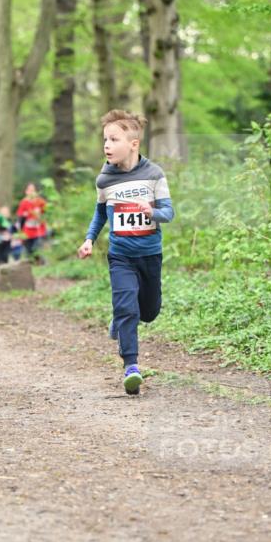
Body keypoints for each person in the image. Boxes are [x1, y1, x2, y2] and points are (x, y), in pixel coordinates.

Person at [78, 110, 174, 395]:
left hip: (150, 254)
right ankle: (131, 366)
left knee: (149, 311)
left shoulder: (154, 175)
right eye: (105, 140)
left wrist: (152, 212)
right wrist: (89, 239)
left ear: (133, 144)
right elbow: (100, 214)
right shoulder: (104, 180)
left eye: (113, 139)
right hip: (120, 255)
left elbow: (169, 213)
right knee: (126, 307)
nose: (106, 145)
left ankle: (121, 320)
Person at [17, 182, 48, 261]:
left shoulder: (40, 202)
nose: (31, 192)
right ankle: (31, 264)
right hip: (27, 231)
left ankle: (42, 263)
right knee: (29, 251)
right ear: (26, 192)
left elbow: (47, 212)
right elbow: (20, 216)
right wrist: (24, 215)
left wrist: (41, 215)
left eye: (33, 190)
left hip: (39, 229)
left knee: (37, 248)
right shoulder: (23, 202)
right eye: (29, 190)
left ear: (36, 192)